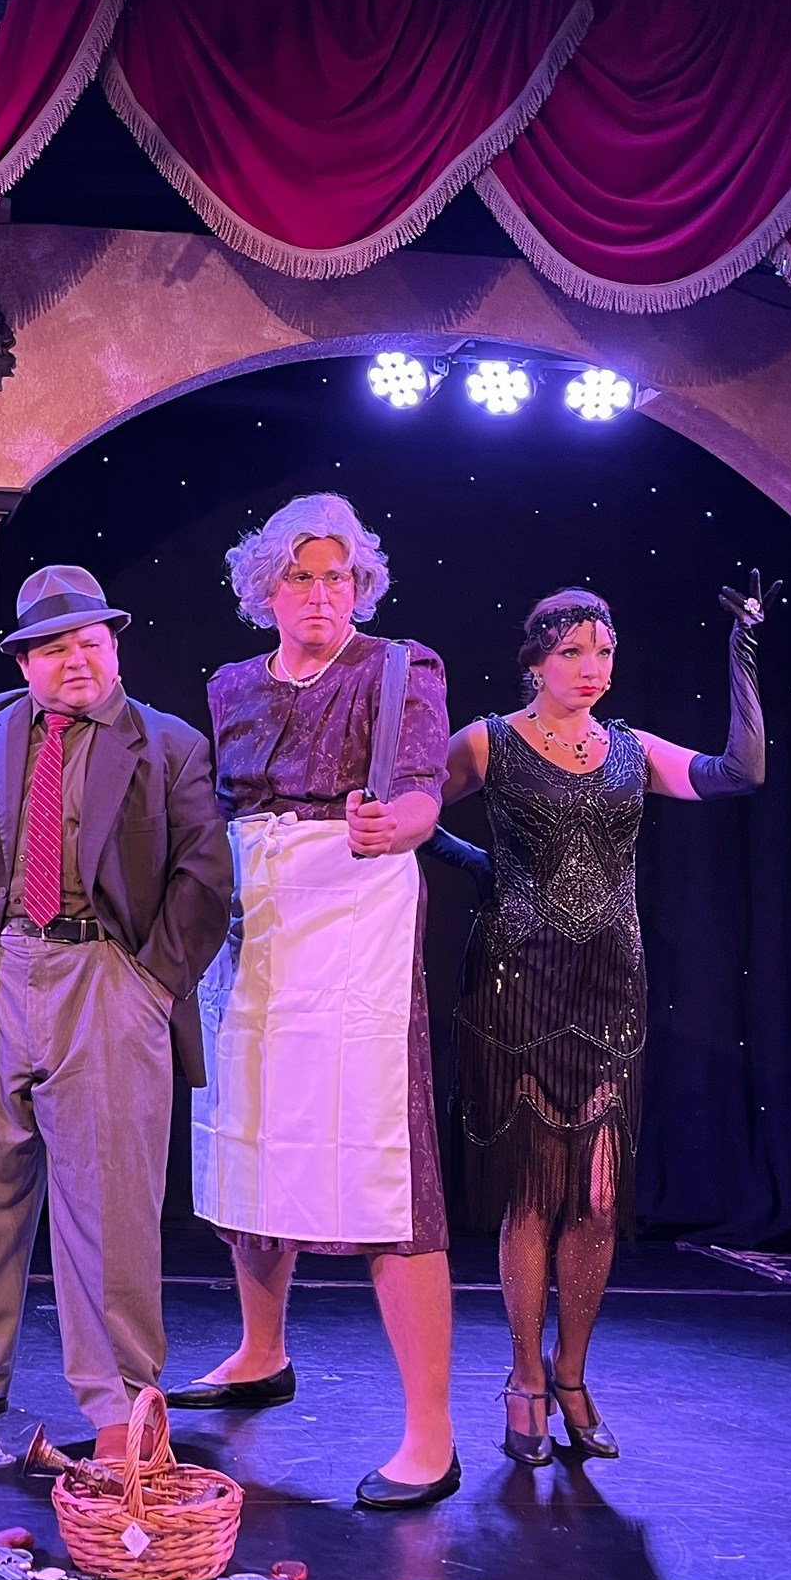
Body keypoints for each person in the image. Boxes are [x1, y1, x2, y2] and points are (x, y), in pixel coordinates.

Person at [0, 566, 232, 1460]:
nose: (77, 658)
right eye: (56, 645)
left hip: (105, 972)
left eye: (92, 641)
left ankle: (120, 1404)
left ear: (115, 646)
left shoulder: (169, 743)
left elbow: (205, 877)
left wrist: (152, 985)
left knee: (108, 1201)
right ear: (25, 659)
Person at [430, 574, 777, 1465]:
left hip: (610, 985)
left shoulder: (628, 749)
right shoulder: (491, 742)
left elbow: (740, 774)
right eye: (573, 652)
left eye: (605, 652)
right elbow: (415, 815)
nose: (592, 668)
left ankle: (574, 1373)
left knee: (598, 1194)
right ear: (535, 660)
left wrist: (741, 651)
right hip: (517, 982)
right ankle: (523, 1380)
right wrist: (486, 869)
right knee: (536, 1191)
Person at [170, 494, 459, 1510]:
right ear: (267, 589)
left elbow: (424, 787)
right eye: (302, 576)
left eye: (339, 576)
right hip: (252, 905)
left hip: (355, 898)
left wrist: (405, 825)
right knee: (250, 1129)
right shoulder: (233, 683)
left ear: (361, 586)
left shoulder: (397, 668)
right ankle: (260, 1349)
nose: (322, 595)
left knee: (382, 1157)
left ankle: (432, 1432)